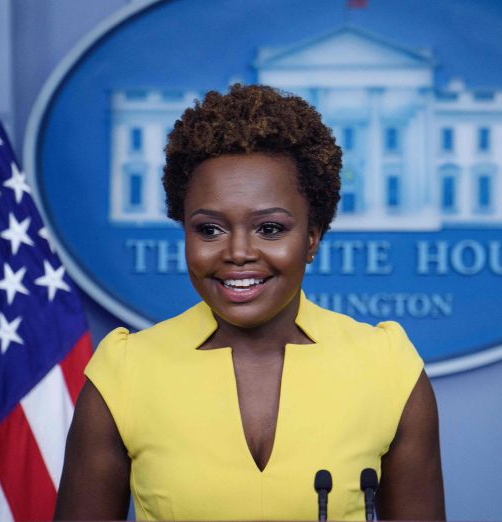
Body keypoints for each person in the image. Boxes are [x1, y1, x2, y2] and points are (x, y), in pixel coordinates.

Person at [55, 84, 445, 521]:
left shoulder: (388, 368)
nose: (238, 252)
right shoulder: (124, 372)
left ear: (312, 238)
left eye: (270, 229)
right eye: (210, 230)